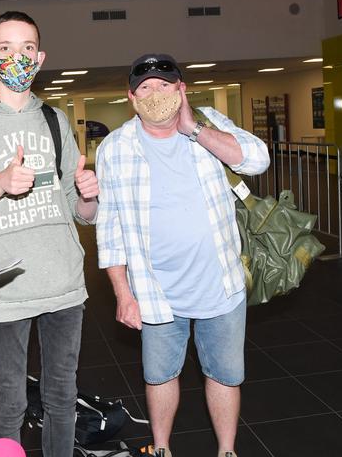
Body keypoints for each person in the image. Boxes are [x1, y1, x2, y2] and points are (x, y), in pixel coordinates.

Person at [0, 11, 99, 457]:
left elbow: (80, 213)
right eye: (5, 48)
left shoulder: (54, 120)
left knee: (62, 399)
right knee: (7, 407)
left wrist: (88, 195)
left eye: (27, 48)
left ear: (40, 57)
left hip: (64, 286)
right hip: (4, 291)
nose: (17, 57)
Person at [95, 54, 270, 457]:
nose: (154, 93)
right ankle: (161, 448)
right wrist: (123, 293)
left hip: (220, 284)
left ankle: (227, 450)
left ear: (181, 89)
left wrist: (195, 131)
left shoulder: (208, 122)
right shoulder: (116, 148)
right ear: (131, 97)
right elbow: (110, 229)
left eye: (163, 84)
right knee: (159, 377)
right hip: (156, 292)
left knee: (225, 375)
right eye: (145, 87)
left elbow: (257, 159)